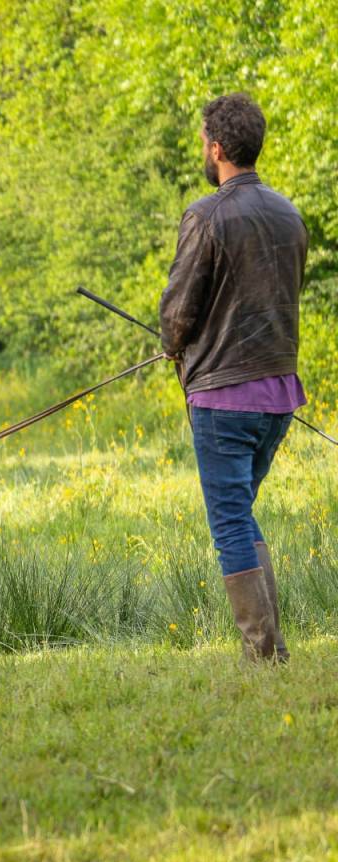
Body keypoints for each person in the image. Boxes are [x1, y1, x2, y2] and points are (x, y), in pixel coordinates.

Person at [159, 92, 308, 664]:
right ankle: (272, 647)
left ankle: (262, 651)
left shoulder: (206, 214)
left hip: (223, 396)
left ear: (217, 147)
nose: (204, 149)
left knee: (228, 522)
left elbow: (178, 312)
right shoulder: (289, 214)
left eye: (204, 140)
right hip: (278, 394)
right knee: (241, 513)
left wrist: (173, 347)